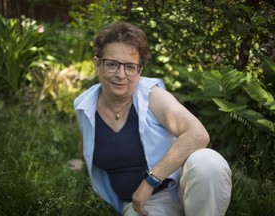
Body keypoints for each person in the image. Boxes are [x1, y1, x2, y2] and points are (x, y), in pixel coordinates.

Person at [74, 22, 232, 216]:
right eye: (112, 64)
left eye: (130, 66)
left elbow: (198, 134)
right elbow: (87, 142)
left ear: (139, 70)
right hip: (145, 207)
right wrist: (79, 162)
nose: (120, 75)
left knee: (208, 162)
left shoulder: (153, 96)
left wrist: (149, 182)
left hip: (183, 186)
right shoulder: (84, 107)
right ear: (97, 64)